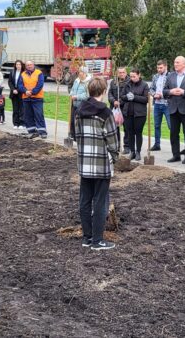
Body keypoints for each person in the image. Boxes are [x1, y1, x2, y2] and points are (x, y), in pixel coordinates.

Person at [74, 77, 120, 251]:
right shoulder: (105, 113)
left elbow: (76, 135)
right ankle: (98, 241)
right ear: (103, 91)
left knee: (85, 200)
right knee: (100, 202)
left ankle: (87, 237)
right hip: (101, 163)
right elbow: (113, 142)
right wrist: (114, 157)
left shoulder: (79, 110)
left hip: (84, 162)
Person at [163, 56, 185, 163]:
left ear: (184, 64)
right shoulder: (170, 76)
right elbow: (164, 91)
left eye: (177, 62)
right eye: (174, 62)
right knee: (173, 133)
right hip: (173, 108)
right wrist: (171, 92)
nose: (175, 64)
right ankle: (176, 155)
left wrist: (184, 92)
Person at [119, 68, 149, 161]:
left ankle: (138, 152)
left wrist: (134, 97)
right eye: (131, 76)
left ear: (139, 75)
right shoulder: (128, 84)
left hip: (139, 114)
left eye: (134, 76)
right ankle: (132, 151)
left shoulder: (144, 85)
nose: (132, 78)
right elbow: (122, 96)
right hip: (128, 112)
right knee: (130, 133)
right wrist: (127, 97)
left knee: (138, 133)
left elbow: (145, 99)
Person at [18, 60, 47, 138]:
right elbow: (20, 85)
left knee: (39, 115)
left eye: (30, 65)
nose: (29, 66)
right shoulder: (23, 74)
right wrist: (25, 91)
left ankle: (42, 132)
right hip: (26, 98)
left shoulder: (39, 73)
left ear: (33, 65)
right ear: (26, 66)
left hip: (37, 98)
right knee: (28, 115)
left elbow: (40, 84)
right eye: (27, 65)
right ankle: (31, 131)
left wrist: (32, 92)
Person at [149, 60, 170, 151]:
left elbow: (172, 90)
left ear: (165, 67)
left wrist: (162, 95)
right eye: (158, 68)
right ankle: (157, 144)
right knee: (157, 125)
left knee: (171, 125)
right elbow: (151, 89)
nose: (159, 69)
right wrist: (154, 95)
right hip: (157, 104)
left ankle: (174, 144)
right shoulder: (155, 76)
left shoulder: (170, 76)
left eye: (161, 67)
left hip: (167, 104)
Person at [108, 67, 129, 153]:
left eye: (123, 72)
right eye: (120, 72)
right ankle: (117, 146)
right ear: (117, 73)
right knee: (115, 128)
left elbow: (129, 95)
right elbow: (109, 94)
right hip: (114, 108)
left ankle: (127, 147)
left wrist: (120, 101)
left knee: (126, 128)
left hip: (125, 108)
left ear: (126, 72)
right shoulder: (113, 82)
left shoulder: (129, 82)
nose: (121, 74)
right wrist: (114, 101)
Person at [69, 67, 91, 139]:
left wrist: (77, 97)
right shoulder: (77, 80)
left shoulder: (88, 82)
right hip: (74, 104)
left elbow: (87, 95)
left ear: (84, 73)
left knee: (79, 122)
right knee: (72, 121)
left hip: (82, 105)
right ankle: (73, 136)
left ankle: (80, 137)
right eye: (79, 72)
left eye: (80, 72)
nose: (79, 73)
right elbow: (72, 89)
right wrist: (71, 94)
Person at [8, 60, 25, 129]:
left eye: (19, 64)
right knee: (15, 109)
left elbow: (24, 83)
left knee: (21, 109)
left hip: (21, 93)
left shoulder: (24, 73)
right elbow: (10, 82)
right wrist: (13, 89)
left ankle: (21, 123)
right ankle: (15, 123)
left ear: (22, 65)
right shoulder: (12, 72)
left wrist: (18, 89)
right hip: (14, 93)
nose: (18, 66)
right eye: (17, 64)